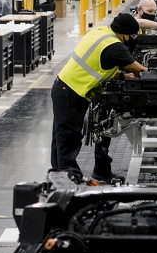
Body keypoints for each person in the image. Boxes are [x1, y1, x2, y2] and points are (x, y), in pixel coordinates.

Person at [51, 13, 147, 182]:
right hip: (72, 92)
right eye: (132, 36)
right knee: (68, 139)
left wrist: (122, 76)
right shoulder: (115, 46)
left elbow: (101, 63)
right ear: (124, 34)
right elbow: (140, 71)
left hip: (66, 88)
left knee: (61, 139)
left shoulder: (102, 32)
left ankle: (61, 178)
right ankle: (69, 182)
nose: (132, 39)